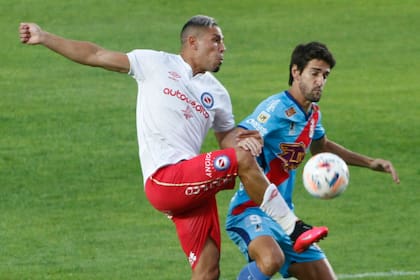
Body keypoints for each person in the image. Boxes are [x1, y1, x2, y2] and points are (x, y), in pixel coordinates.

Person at [19, 16, 328, 280]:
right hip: (165, 178)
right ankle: (293, 226)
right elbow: (95, 54)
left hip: (192, 188)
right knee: (243, 161)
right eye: (216, 41)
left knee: (208, 271)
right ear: (192, 42)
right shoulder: (153, 63)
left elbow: (227, 139)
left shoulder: (217, 93)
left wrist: (246, 136)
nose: (223, 49)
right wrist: (44, 37)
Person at [226, 41, 400, 280]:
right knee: (271, 259)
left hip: (285, 217)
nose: (320, 81)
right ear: (296, 72)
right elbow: (237, 136)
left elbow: (322, 148)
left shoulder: (312, 114)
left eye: (325, 75)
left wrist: (370, 162)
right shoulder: (276, 108)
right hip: (250, 210)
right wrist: (247, 142)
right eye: (315, 73)